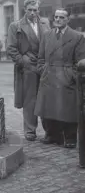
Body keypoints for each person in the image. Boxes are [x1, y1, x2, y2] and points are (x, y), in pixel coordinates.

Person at [35, 8, 85, 148]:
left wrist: (71, 75)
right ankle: (52, 135)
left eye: (62, 17)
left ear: (68, 20)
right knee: (48, 107)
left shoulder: (77, 37)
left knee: (68, 109)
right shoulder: (47, 35)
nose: (58, 20)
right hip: (49, 75)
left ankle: (70, 138)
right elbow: (40, 58)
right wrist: (43, 70)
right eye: (56, 17)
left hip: (66, 76)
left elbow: (80, 62)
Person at [6, 0, 51, 141]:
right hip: (28, 67)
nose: (33, 13)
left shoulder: (45, 23)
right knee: (30, 100)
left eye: (35, 10)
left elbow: (50, 42)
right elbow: (11, 48)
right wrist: (23, 62)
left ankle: (49, 131)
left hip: (44, 66)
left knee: (46, 98)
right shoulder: (16, 26)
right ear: (25, 10)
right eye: (30, 10)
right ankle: (30, 130)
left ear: (39, 10)